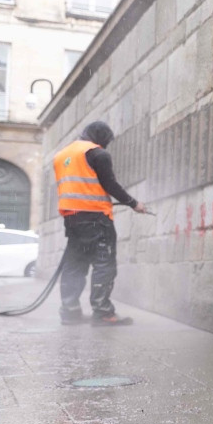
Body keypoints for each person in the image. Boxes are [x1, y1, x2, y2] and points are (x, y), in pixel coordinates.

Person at [52, 121, 147, 325]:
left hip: (72, 219)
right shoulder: (97, 153)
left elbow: (82, 185)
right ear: (100, 138)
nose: (105, 147)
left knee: (75, 264)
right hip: (96, 219)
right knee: (104, 264)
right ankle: (103, 312)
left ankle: (70, 311)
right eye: (106, 142)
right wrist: (133, 203)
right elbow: (109, 184)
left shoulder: (62, 155)